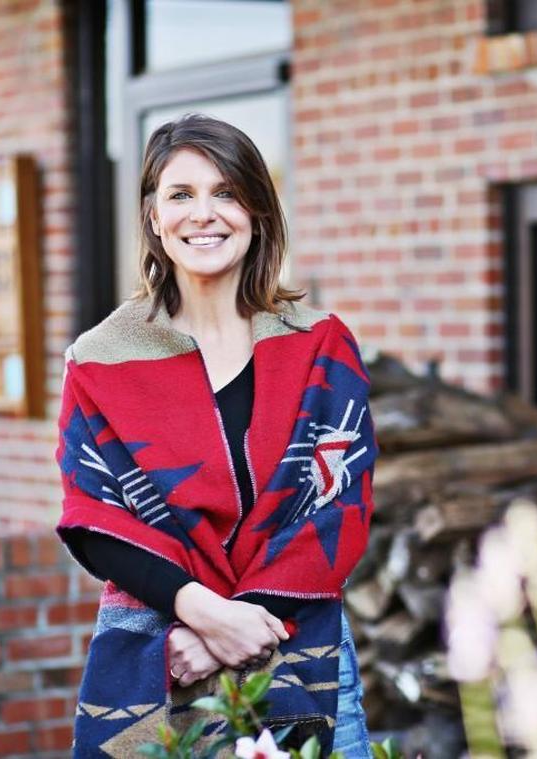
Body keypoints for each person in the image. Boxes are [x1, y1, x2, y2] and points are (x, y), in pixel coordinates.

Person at [55, 114, 376, 757]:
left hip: (301, 650)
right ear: (154, 217)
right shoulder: (100, 359)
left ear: (256, 210)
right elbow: (96, 520)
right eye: (181, 194)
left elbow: (339, 509)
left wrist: (226, 635)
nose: (203, 214)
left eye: (225, 192)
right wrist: (205, 616)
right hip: (161, 658)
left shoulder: (320, 347)